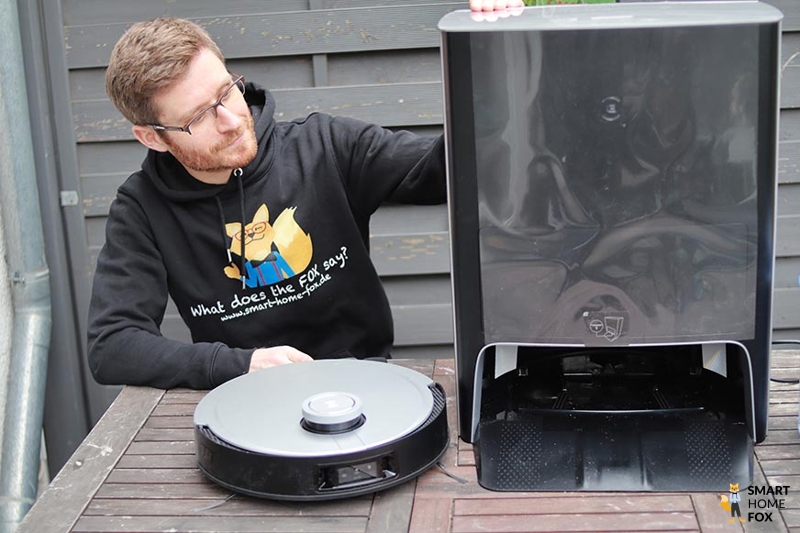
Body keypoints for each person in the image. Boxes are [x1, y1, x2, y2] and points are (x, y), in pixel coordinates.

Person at [87, 1, 523, 389]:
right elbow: (113, 346)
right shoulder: (142, 208)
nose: (231, 120)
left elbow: (444, 173)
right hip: (245, 399)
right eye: (198, 116)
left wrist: (488, 60)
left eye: (226, 91)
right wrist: (241, 366)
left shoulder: (325, 147)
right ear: (153, 138)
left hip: (366, 382)